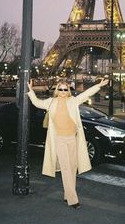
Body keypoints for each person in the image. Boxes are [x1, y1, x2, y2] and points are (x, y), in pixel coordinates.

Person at [27, 78, 109, 209]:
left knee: (72, 168)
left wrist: (98, 85)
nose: (63, 91)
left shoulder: (73, 101)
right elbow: (37, 103)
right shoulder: (51, 102)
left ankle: (67, 194)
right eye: (60, 89)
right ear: (56, 90)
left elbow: (86, 93)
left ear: (68, 90)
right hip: (59, 139)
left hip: (72, 138)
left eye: (66, 89)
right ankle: (72, 199)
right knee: (65, 168)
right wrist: (30, 90)